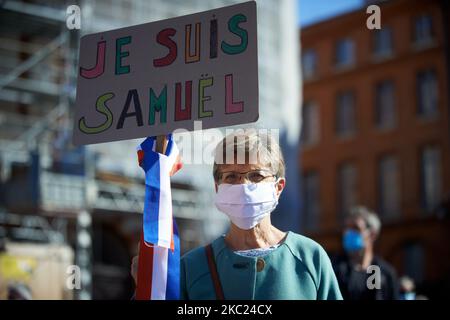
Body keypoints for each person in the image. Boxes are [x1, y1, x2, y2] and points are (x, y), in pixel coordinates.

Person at [178, 130, 342, 300]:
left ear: (278, 187)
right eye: (231, 176)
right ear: (217, 187)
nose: (243, 186)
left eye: (256, 175)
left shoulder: (310, 257)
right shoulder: (192, 267)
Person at [332, 206, 400, 300]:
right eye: (346, 228)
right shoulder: (335, 268)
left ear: (372, 234)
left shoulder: (385, 273)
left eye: (356, 228)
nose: (348, 233)